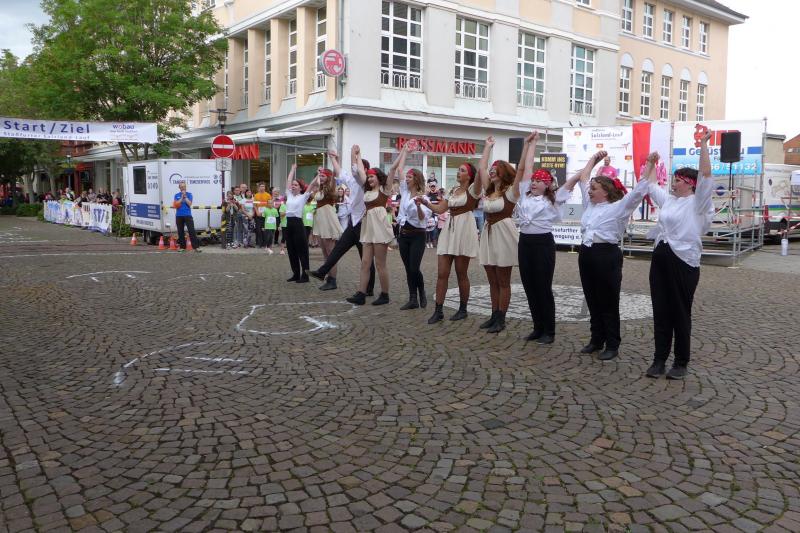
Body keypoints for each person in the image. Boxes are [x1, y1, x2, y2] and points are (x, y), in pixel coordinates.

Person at [561, 151, 650, 361]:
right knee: (592, 299)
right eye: (590, 188)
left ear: (606, 192)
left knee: (608, 301)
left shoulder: (619, 207)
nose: (590, 191)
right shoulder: (590, 204)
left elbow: (639, 191)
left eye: (594, 188)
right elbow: (584, 177)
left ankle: (612, 343)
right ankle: (596, 339)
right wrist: (594, 159)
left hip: (606, 255)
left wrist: (650, 165)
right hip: (586, 253)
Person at [643, 131, 714, 380]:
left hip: (683, 261)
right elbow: (651, 185)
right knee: (661, 310)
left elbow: (706, 174)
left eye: (678, 180)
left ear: (690, 183)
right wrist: (651, 163)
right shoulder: (670, 201)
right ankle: (659, 359)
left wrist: (703, 145)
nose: (673, 183)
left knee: (680, 312)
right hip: (661, 257)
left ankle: (681, 362)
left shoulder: (699, 203)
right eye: (673, 179)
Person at [516, 132, 572, 344]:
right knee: (529, 286)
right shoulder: (525, 194)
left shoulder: (552, 200)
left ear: (547, 184)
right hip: (525, 243)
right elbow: (527, 167)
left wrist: (589, 165)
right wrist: (532, 144)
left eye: (539, 181)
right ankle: (537, 327)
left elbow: (571, 183)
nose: (534, 182)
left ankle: (549, 330)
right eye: (534, 180)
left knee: (543, 287)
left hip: (542, 244)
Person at [418, 161, 482, 324]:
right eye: (458, 170)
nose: (458, 172)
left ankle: (463, 309)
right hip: (449, 230)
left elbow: (481, 174)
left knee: (461, 273)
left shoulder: (473, 190)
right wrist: (426, 203)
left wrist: (487, 149)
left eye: (462, 170)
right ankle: (438, 311)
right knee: (442, 273)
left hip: (464, 230)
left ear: (470, 175)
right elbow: (440, 209)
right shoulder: (453, 190)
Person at [308, 147, 376, 296]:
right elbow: (339, 171)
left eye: (358, 168)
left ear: (364, 170)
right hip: (353, 223)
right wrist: (333, 158)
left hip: (363, 225)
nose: (354, 169)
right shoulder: (352, 180)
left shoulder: (365, 183)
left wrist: (355, 155)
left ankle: (369, 288)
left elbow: (355, 169)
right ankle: (323, 273)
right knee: (338, 250)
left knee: (365, 258)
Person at [475, 136, 524, 334]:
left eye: (496, 169)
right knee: (492, 280)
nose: (492, 171)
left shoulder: (511, 192)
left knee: (503, 280)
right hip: (488, 234)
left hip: (503, 234)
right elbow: (481, 168)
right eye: (492, 169)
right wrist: (487, 147)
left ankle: (501, 318)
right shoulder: (489, 190)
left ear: (504, 173)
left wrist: (528, 147)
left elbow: (521, 171)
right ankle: (494, 314)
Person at [345, 145, 393, 305]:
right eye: (369, 177)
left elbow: (393, 169)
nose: (370, 179)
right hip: (367, 228)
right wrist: (357, 155)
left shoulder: (384, 190)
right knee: (365, 263)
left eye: (372, 176)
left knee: (380, 264)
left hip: (379, 228)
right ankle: (361, 293)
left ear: (378, 178)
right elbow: (360, 171)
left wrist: (404, 152)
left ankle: (385, 294)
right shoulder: (367, 190)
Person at [392, 142, 432, 310]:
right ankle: (412, 299)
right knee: (408, 268)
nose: (406, 178)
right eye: (406, 177)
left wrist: (418, 206)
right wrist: (405, 151)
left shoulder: (424, 198)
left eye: (409, 177)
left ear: (416, 180)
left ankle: (421, 291)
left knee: (414, 268)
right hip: (404, 235)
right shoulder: (405, 191)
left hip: (418, 235)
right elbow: (399, 169)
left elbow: (423, 219)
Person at [310, 159, 344, 291]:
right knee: (324, 252)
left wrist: (335, 159)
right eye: (320, 176)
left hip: (328, 219)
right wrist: (318, 174)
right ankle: (327, 276)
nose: (321, 177)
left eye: (323, 176)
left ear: (328, 177)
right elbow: (313, 184)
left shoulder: (331, 186)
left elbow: (335, 174)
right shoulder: (321, 187)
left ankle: (332, 280)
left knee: (330, 252)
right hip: (320, 219)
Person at [282, 164, 310, 282]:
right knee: (291, 250)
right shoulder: (289, 195)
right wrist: (292, 169)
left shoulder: (303, 197)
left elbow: (311, 186)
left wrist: (318, 176)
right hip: (289, 224)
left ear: (300, 188)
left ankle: (305, 275)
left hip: (298, 224)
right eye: (292, 185)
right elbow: (288, 181)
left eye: (296, 185)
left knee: (302, 250)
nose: (293, 186)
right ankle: (296, 274)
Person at [173, 181, 201, 252]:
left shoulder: (189, 194)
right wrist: (181, 198)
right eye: (181, 187)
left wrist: (185, 197)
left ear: (186, 187)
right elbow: (176, 205)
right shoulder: (176, 195)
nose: (183, 188)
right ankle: (182, 247)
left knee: (191, 231)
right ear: (179, 188)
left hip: (188, 215)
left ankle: (196, 247)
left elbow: (189, 204)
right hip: (179, 215)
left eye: (184, 186)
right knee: (180, 232)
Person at [253, 182, 272, 248]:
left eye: (263, 186)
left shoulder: (268, 195)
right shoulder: (256, 195)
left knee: (265, 229)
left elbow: (270, 204)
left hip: (266, 214)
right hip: (258, 214)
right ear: (259, 187)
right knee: (258, 229)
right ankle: (259, 243)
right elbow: (254, 205)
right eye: (261, 186)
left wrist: (265, 212)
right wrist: (257, 212)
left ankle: (265, 243)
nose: (262, 187)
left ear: (265, 187)